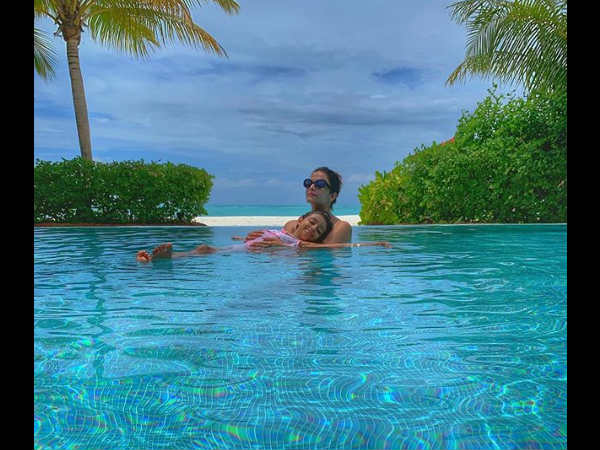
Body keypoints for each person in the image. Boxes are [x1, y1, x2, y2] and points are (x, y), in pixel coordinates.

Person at [136, 210, 390, 262]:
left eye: (319, 231)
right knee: (206, 249)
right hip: (246, 251)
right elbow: (255, 239)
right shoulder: (282, 232)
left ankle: (168, 258)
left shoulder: (297, 243)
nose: (313, 229)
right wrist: (240, 238)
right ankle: (162, 258)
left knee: (206, 250)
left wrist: (374, 242)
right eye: (312, 222)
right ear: (301, 220)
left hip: (251, 256)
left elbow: (330, 248)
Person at [244, 167, 352, 249]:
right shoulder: (291, 226)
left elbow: (329, 253)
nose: (312, 187)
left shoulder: (340, 227)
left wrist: (291, 245)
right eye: (308, 183)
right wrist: (260, 238)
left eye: (320, 184)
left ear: (332, 195)